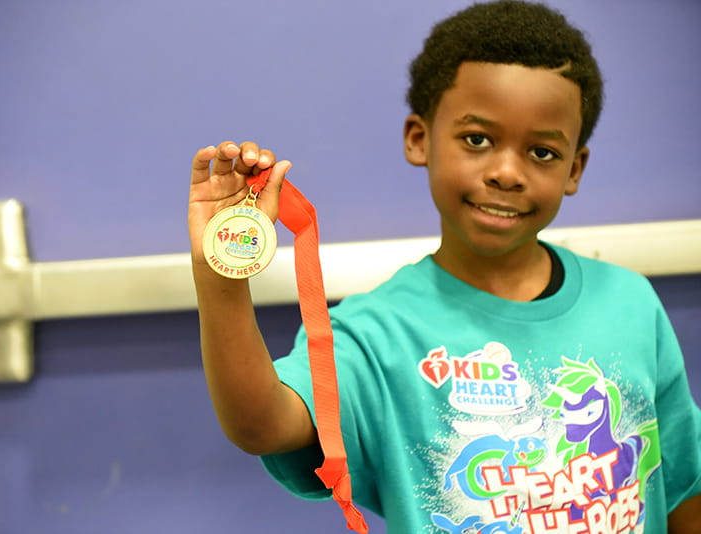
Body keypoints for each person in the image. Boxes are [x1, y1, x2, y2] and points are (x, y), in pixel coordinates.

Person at [187, 1, 701, 532]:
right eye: (477, 140)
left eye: (542, 153)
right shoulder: (373, 336)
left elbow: (682, 484)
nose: (506, 172)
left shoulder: (631, 303)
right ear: (419, 139)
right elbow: (260, 424)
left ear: (575, 168)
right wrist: (219, 271)